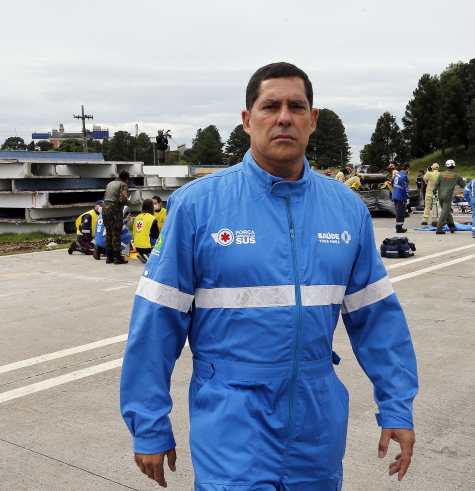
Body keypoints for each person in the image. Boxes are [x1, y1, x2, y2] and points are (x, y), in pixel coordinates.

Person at [120, 62, 418, 489]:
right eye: (269, 106)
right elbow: (155, 323)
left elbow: (377, 319)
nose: (283, 117)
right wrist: (148, 422)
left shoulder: (347, 209)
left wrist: (397, 407)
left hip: (317, 423)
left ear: (312, 120)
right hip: (231, 421)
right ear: (247, 120)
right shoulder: (197, 207)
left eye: (297, 107)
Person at [102, 170, 131, 265]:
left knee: (109, 232)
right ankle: (117, 257)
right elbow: (123, 200)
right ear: (127, 179)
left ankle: (109, 257)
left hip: (105, 208)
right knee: (116, 233)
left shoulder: (110, 183)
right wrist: (130, 202)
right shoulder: (123, 185)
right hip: (114, 209)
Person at [432, 159, 464, 234]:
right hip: (448, 196)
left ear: (446, 167)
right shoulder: (456, 176)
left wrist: (434, 193)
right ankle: (439, 229)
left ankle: (452, 227)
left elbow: (436, 185)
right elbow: (462, 185)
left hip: (440, 195)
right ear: (454, 167)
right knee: (445, 212)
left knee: (446, 211)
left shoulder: (441, 174)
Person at [131, 198, 161, 263]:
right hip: (147, 246)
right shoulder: (152, 218)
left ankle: (143, 254)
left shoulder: (137, 217)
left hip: (136, 245)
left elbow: (134, 232)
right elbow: (156, 235)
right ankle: (147, 255)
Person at [392, 164, 410, 233]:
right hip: (400, 197)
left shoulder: (397, 174)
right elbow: (404, 188)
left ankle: (398, 226)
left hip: (395, 195)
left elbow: (392, 182)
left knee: (398, 211)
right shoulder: (403, 177)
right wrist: (407, 197)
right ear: (407, 169)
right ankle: (399, 227)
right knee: (401, 212)